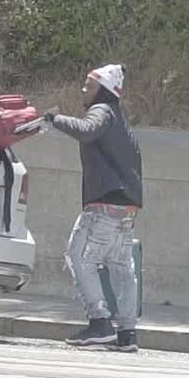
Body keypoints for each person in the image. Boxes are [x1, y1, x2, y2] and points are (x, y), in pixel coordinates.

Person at [45, 64, 144, 353]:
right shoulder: (120, 120)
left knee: (78, 255)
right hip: (126, 206)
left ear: (104, 89)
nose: (84, 90)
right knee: (121, 267)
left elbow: (87, 131)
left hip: (104, 203)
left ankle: (99, 323)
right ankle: (127, 333)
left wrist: (55, 118)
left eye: (89, 85)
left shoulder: (101, 111)